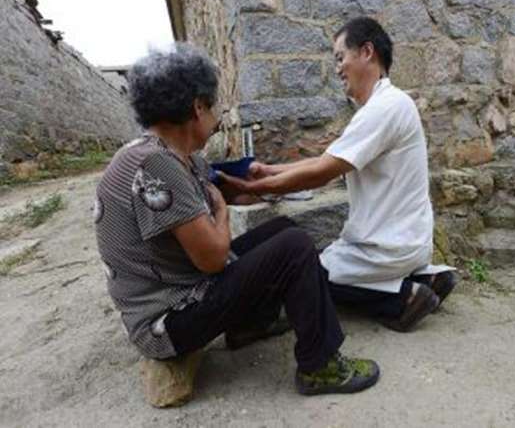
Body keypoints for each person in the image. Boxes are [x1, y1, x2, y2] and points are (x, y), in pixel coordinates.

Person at [94, 44, 379, 397]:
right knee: (294, 247)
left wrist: (263, 184)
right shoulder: (155, 165)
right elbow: (213, 258)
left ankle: (248, 327)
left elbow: (227, 191)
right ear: (197, 107)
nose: (217, 119)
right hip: (166, 322)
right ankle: (319, 367)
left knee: (283, 231)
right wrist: (223, 212)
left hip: (184, 289)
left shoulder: (176, 155)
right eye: (215, 107)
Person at [219, 17, 456, 333]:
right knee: (322, 267)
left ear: (367, 52)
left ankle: (404, 298)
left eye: (340, 57)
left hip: (387, 247)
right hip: (408, 241)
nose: (337, 69)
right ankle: (427, 277)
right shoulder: (386, 105)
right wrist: (270, 170)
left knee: (306, 275)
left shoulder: (383, 109)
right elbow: (328, 159)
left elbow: (321, 172)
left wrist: (256, 188)